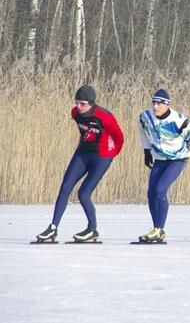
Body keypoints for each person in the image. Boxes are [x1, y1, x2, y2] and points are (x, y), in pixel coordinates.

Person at [36, 85, 124, 243]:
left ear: (91, 103)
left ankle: (92, 229)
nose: (78, 106)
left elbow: (119, 138)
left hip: (101, 157)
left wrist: (111, 153)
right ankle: (53, 228)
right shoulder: (75, 113)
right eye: (77, 102)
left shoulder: (105, 117)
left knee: (83, 194)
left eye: (82, 103)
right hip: (82, 154)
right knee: (65, 188)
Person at [137, 89, 190, 242]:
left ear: (167, 105)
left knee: (160, 190)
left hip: (177, 159)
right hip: (160, 158)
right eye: (154, 103)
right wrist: (147, 151)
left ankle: (160, 229)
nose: (155, 107)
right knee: (151, 193)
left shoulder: (178, 120)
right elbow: (143, 133)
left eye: (159, 103)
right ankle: (156, 229)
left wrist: (182, 147)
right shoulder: (145, 117)